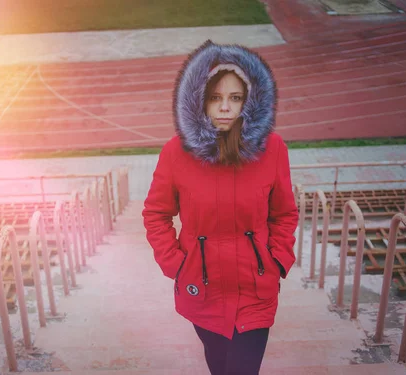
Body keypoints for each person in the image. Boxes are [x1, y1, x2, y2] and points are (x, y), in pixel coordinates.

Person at [142, 40, 299, 375]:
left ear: (250, 102)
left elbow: (284, 213)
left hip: (256, 290)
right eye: (215, 98)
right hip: (202, 291)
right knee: (218, 365)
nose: (225, 107)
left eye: (235, 98)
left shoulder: (273, 148)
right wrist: (176, 264)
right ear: (200, 102)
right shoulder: (176, 152)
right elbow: (156, 214)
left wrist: (277, 257)